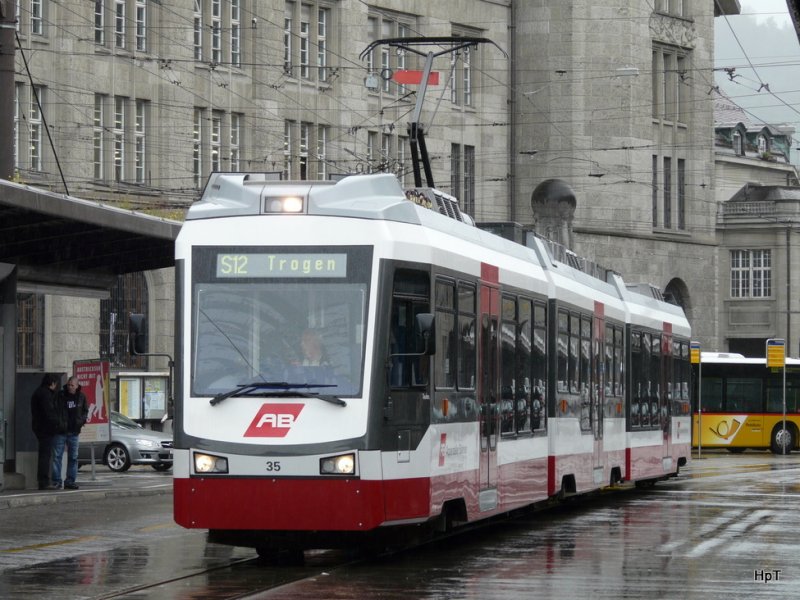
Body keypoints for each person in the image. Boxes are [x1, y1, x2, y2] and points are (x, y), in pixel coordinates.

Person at [52, 376, 89, 490]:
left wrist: (81, 422)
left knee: (73, 457)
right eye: (68, 385)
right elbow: (54, 409)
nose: (70, 387)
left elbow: (85, 411)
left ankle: (70, 481)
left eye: (72, 385)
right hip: (61, 431)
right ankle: (57, 481)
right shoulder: (60, 395)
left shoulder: (81, 397)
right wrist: (57, 423)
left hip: (74, 431)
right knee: (57, 456)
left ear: (77, 386)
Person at [31, 373, 60, 490]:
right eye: (55, 384)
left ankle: (43, 481)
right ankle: (44, 481)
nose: (56, 386)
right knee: (45, 455)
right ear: (52, 383)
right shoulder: (45, 394)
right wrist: (57, 423)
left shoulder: (38, 392)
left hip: (39, 427)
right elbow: (49, 412)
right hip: (45, 428)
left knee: (44, 454)